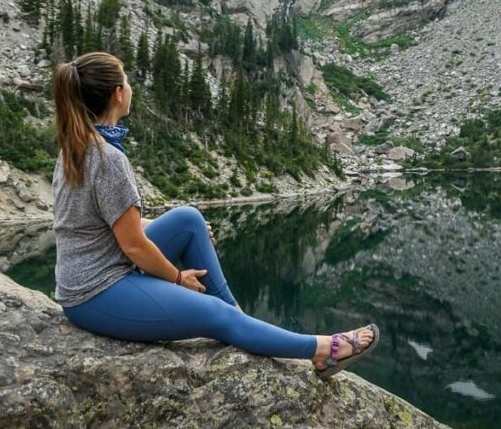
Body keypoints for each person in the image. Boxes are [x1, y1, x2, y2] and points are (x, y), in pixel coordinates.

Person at [51, 51, 378, 379]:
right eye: (127, 80)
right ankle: (322, 351)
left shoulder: (77, 146)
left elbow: (110, 227)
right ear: (117, 94)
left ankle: (238, 320)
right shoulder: (108, 159)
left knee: (189, 220)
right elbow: (133, 246)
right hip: (95, 294)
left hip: (93, 274)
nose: (131, 86)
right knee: (215, 316)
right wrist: (178, 279)